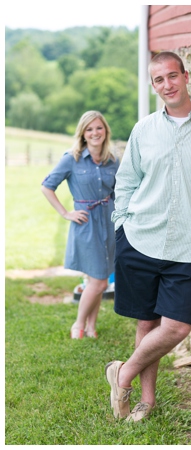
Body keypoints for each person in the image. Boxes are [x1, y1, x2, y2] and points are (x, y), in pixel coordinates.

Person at [105, 51, 191, 423]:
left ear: (186, 75)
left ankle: (122, 374)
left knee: (176, 326)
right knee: (146, 323)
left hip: (189, 244)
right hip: (140, 236)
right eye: (158, 80)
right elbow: (126, 180)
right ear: (153, 85)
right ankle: (145, 401)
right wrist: (122, 223)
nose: (166, 85)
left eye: (172, 76)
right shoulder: (144, 129)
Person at [41, 111, 119, 339]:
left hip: (110, 221)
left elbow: (121, 190)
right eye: (89, 129)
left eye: (99, 128)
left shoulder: (113, 160)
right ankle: (78, 324)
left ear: (105, 131)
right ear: (83, 134)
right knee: (98, 280)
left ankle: (91, 327)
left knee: (100, 279)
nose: (95, 133)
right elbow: (47, 186)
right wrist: (66, 213)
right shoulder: (72, 158)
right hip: (86, 223)